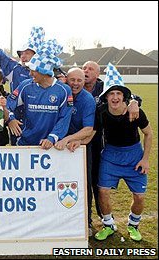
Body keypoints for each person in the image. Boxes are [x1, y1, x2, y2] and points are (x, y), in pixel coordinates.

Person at [90, 64, 152, 242]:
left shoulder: (136, 111)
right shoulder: (101, 112)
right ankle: (108, 225)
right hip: (110, 155)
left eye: (118, 94)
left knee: (139, 197)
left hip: (134, 156)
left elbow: (148, 134)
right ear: (106, 97)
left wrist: (145, 159)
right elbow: (91, 132)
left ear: (124, 96)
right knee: (102, 191)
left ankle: (133, 225)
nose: (115, 97)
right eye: (111, 93)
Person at [82, 60, 141, 225]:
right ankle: (85, 220)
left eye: (90, 69)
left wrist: (134, 102)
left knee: (97, 181)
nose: (85, 71)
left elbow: (130, 96)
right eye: (84, 68)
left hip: (99, 143)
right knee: (82, 181)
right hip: (80, 141)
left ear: (97, 74)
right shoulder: (75, 86)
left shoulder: (105, 88)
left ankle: (105, 218)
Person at [0, 26, 44, 145]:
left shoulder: (47, 71)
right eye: (21, 53)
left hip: (41, 117)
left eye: (27, 53)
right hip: (19, 119)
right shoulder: (15, 68)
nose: (23, 56)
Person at [6, 39, 72, 149]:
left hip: (50, 146)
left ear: (45, 72)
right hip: (25, 144)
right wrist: (11, 119)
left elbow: (64, 118)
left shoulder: (64, 90)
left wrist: (52, 138)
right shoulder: (25, 85)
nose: (30, 73)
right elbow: (9, 104)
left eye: (33, 70)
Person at [54, 67, 96, 235]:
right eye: (72, 80)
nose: (76, 84)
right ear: (66, 80)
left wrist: (70, 139)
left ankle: (87, 222)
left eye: (79, 80)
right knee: (57, 183)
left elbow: (88, 129)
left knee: (83, 184)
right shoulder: (59, 93)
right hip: (57, 147)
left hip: (78, 147)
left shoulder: (87, 100)